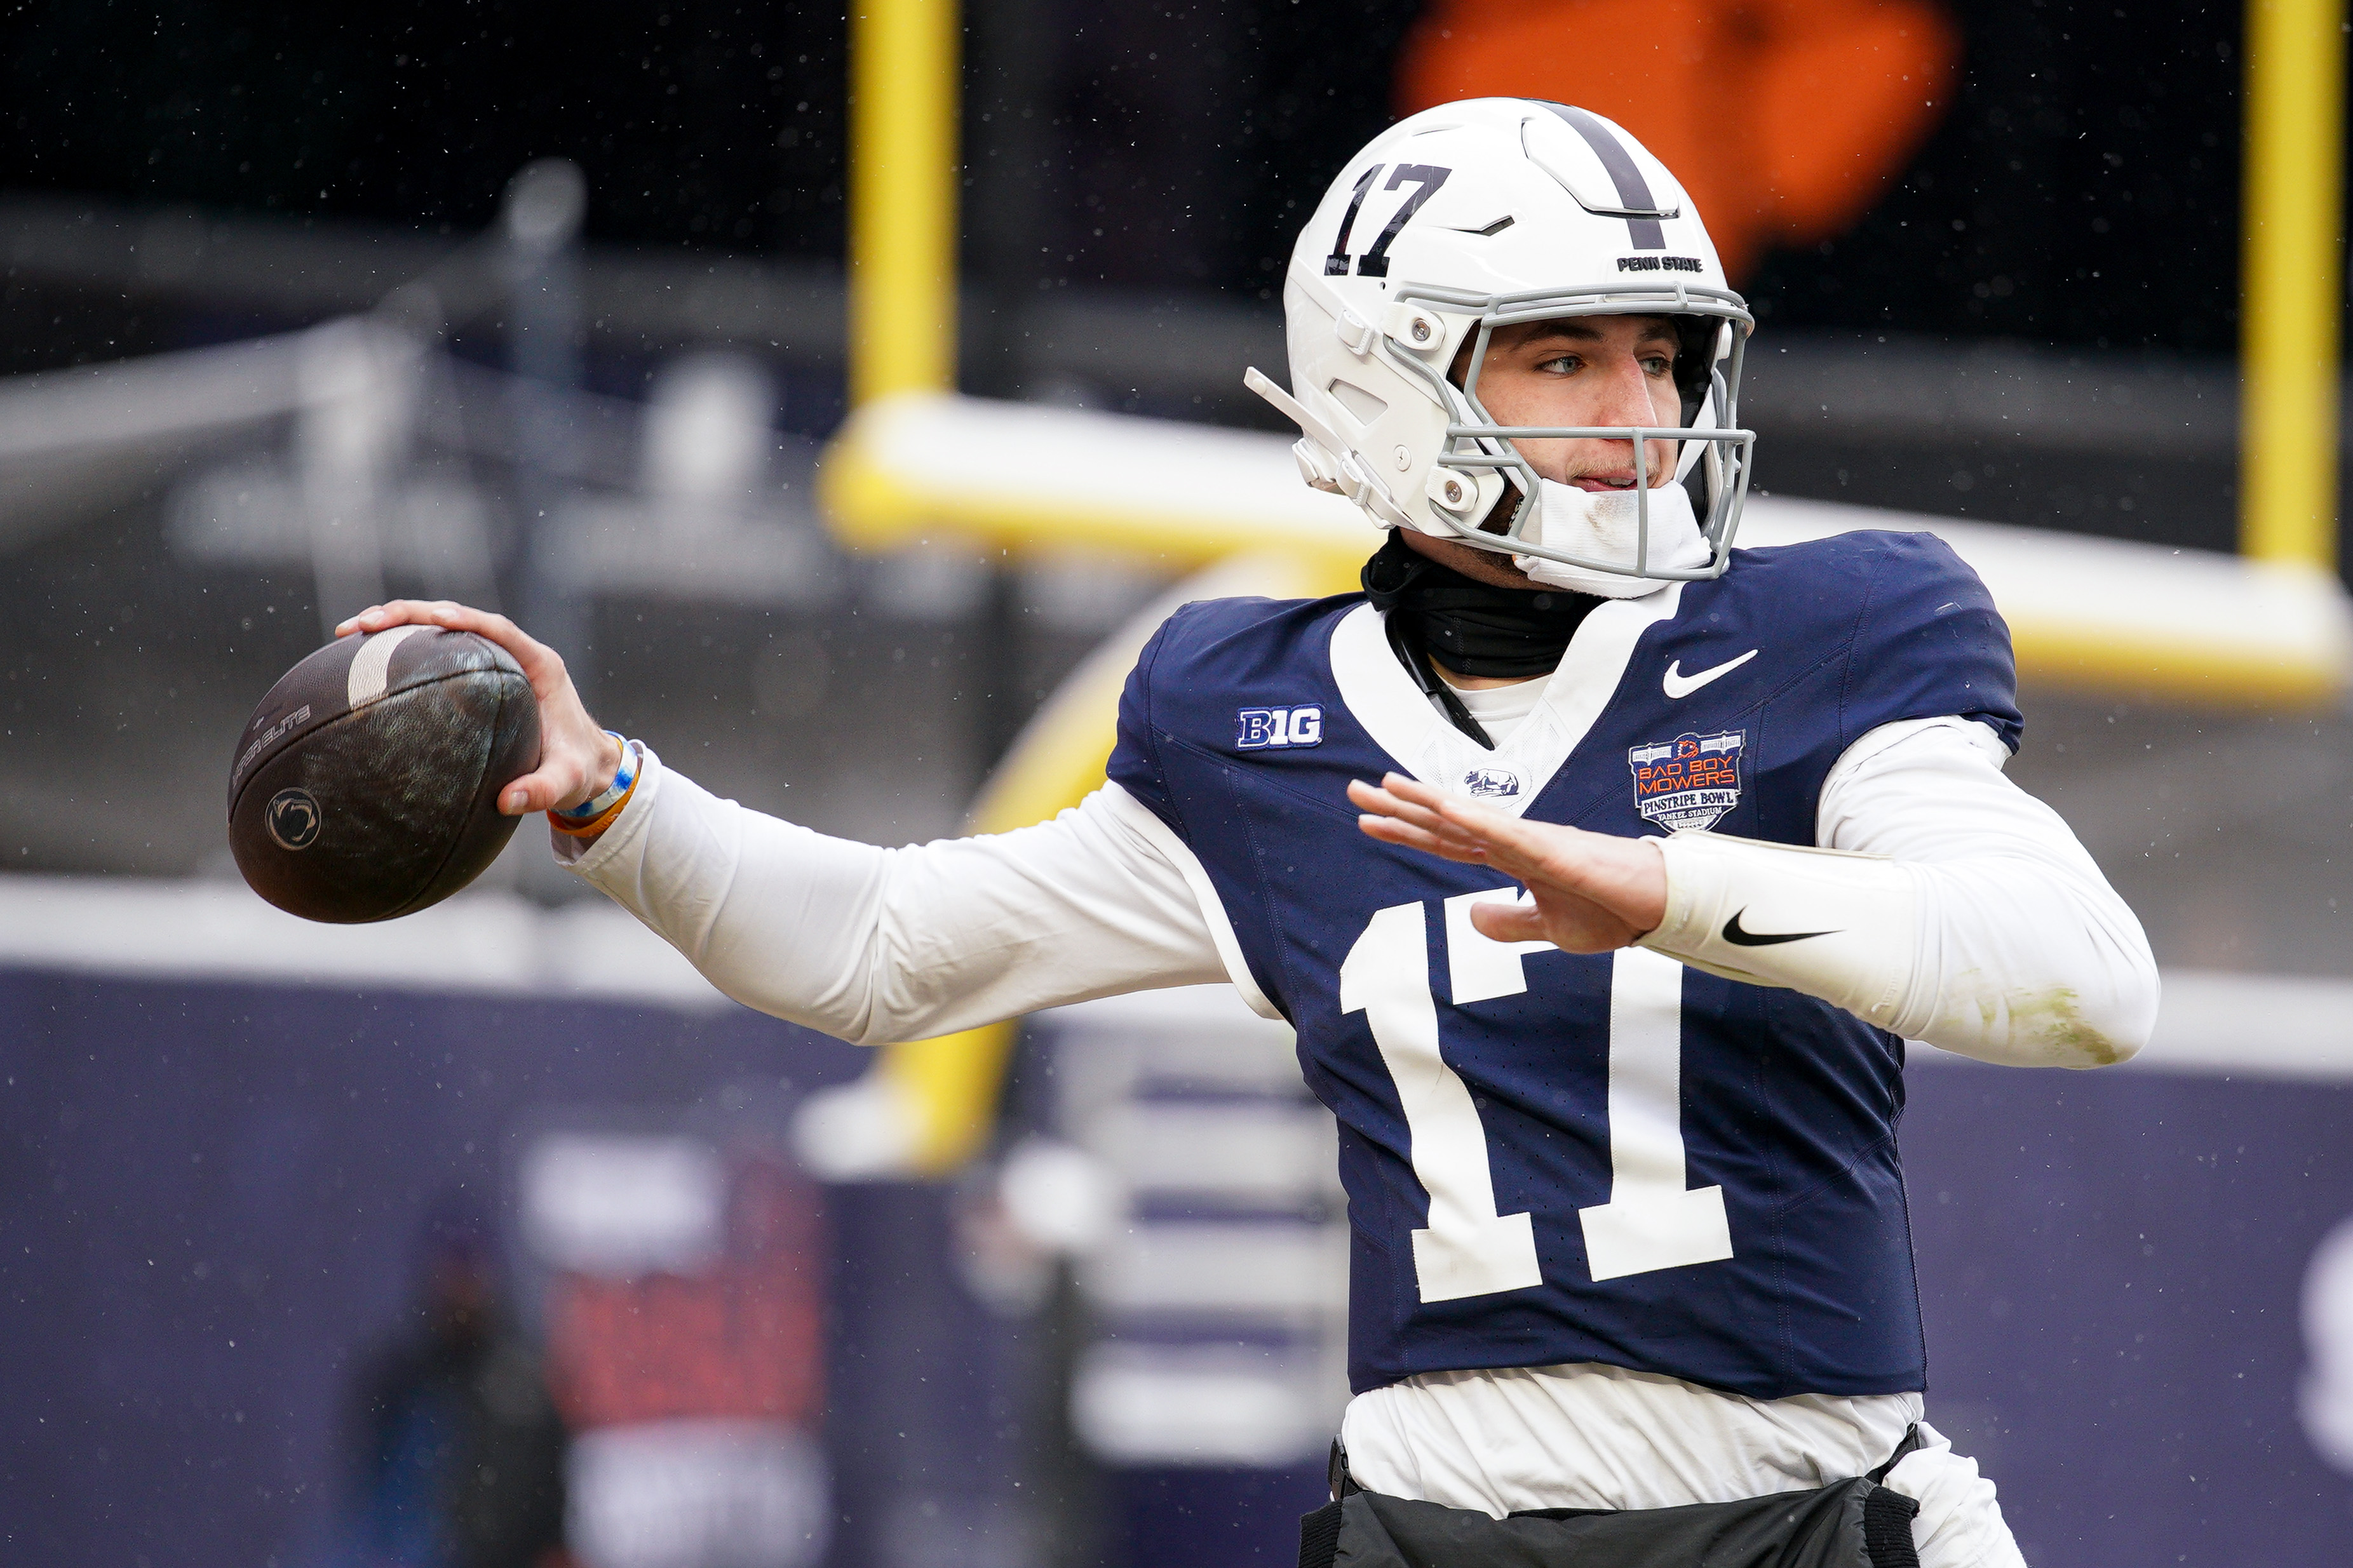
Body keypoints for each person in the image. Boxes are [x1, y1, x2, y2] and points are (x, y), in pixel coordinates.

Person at [342, 100, 2157, 1567]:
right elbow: (880, 956)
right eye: (1568, 358)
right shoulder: (1248, 719)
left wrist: (1668, 889)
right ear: (1390, 384)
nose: (1645, 419)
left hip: (1811, 1526)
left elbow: (2087, 983)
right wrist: (615, 796)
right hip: (1432, 1534)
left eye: (1668, 358)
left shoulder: (1832, 635)